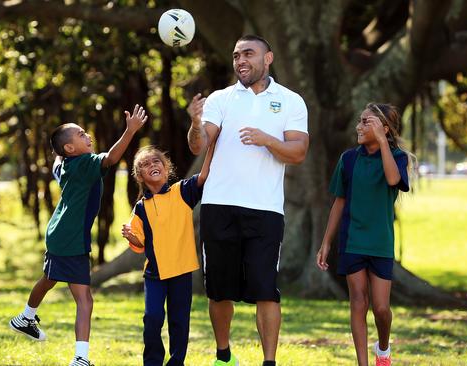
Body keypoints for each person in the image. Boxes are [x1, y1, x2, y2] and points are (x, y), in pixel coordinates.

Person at [186, 34, 309, 366]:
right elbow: (199, 145)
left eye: (248, 54)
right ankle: (223, 356)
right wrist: (196, 123)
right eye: (237, 54)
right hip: (219, 206)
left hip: (266, 210)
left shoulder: (291, 101)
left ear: (268, 58)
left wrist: (267, 139)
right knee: (219, 291)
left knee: (266, 290)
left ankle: (269, 362)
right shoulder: (221, 99)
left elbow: (298, 151)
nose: (240, 60)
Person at [9, 105, 148, 366]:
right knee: (84, 298)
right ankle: (81, 359)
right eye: (82, 134)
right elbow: (111, 158)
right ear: (71, 148)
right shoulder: (84, 163)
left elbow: (56, 164)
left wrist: (58, 152)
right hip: (71, 238)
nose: (88, 136)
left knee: (50, 278)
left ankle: (26, 318)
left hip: (59, 233)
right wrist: (130, 132)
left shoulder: (67, 165)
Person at [316, 103, 413, 366]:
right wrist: (326, 242)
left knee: (381, 309)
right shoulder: (348, 159)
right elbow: (339, 202)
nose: (358, 127)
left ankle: (383, 349)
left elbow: (394, 181)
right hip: (352, 240)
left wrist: (383, 143)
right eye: (360, 121)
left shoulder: (397, 158)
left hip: (380, 243)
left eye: (366, 122)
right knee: (358, 301)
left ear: (384, 128)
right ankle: (363, 363)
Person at [121, 143, 214, 366]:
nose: (152, 165)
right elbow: (140, 243)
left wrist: (211, 144)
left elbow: (205, 174)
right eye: (144, 164)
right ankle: (152, 361)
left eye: (156, 161)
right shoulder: (141, 208)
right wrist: (130, 236)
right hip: (155, 274)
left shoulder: (181, 191)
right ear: (140, 176)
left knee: (179, 321)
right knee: (152, 318)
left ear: (166, 168)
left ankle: (176, 362)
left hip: (181, 271)